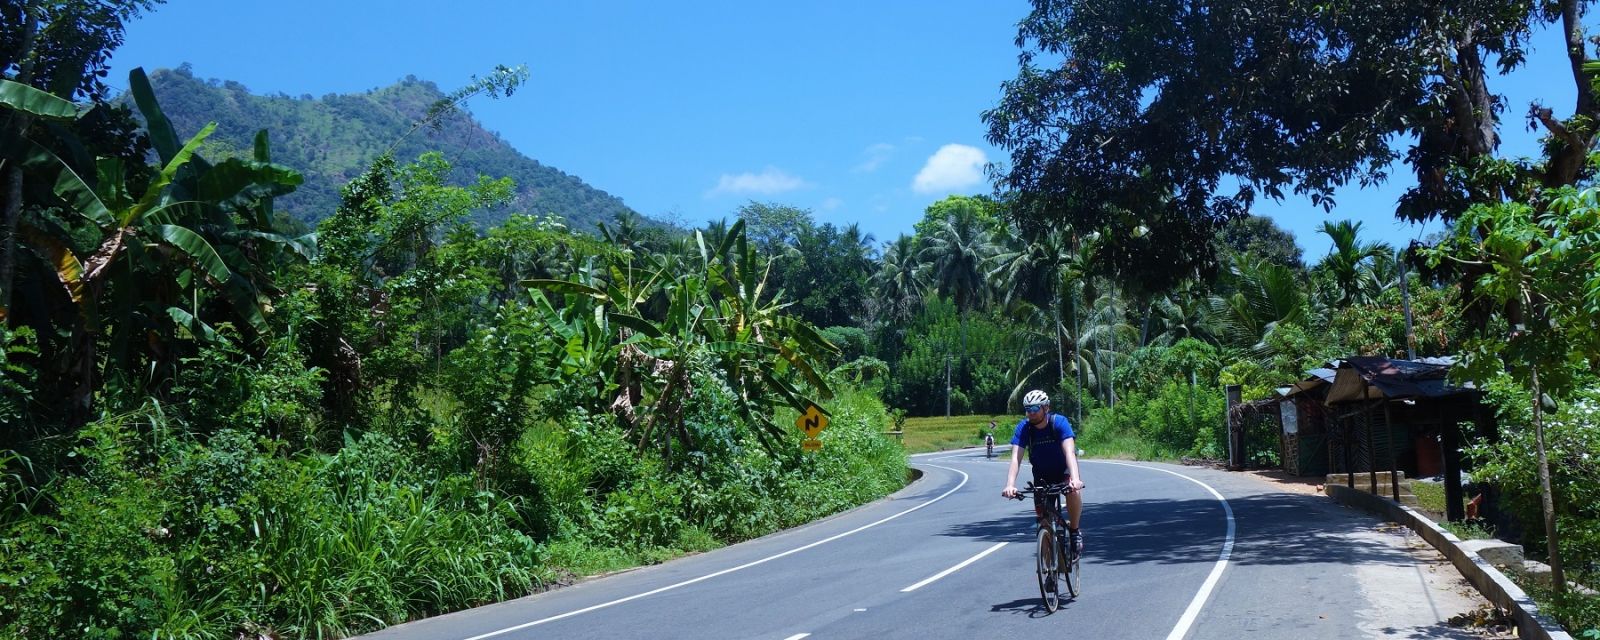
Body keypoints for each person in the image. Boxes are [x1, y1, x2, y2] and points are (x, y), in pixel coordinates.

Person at [1001, 389, 1085, 554]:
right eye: (1027, 410)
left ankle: (1074, 531)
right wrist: (1010, 485)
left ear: (1046, 408)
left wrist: (1075, 479)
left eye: (1034, 409)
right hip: (1041, 475)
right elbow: (1015, 459)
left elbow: (1069, 452)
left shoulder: (1059, 422)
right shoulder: (1024, 428)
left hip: (1063, 471)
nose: (1030, 413)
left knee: (1073, 492)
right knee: (1043, 525)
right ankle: (1048, 574)